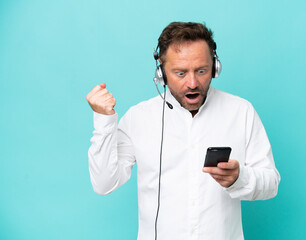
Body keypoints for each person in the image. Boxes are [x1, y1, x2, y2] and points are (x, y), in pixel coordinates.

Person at [86, 22, 280, 240]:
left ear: (215, 67)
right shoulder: (138, 117)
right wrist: (104, 120)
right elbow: (104, 184)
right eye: (180, 73)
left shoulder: (241, 111)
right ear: (161, 72)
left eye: (202, 71)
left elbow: (271, 184)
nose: (192, 83)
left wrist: (240, 178)